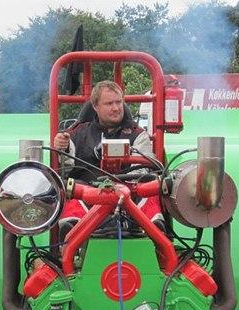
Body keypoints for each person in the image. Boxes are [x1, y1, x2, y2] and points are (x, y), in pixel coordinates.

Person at [52, 80, 162, 233]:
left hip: (129, 198)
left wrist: (124, 187)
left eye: (119, 102)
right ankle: (71, 232)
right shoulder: (77, 134)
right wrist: (62, 146)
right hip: (88, 198)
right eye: (109, 103)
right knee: (67, 187)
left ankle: (156, 231)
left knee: (152, 185)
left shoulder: (138, 134)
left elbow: (147, 168)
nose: (116, 108)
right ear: (95, 106)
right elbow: (64, 168)